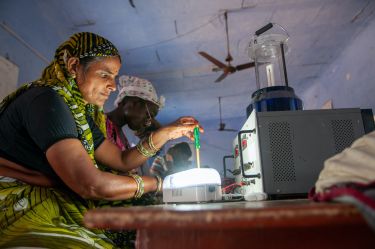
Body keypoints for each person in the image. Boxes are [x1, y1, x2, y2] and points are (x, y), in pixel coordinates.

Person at [0, 32, 203, 248]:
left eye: (114, 77)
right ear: (74, 66)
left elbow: (122, 160)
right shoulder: (47, 101)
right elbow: (90, 185)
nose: (113, 86)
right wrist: (159, 184)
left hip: (54, 198)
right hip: (17, 203)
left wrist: (167, 132)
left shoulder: (80, 113)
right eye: (105, 75)